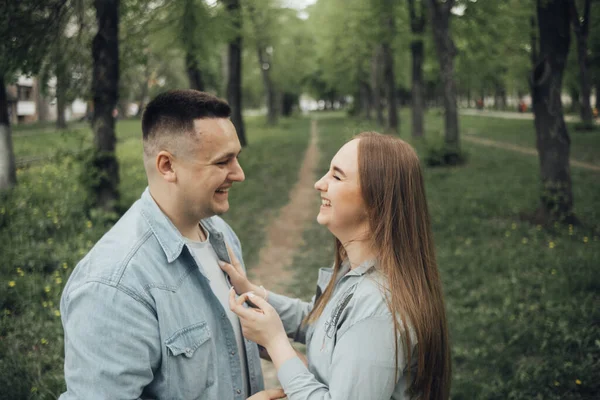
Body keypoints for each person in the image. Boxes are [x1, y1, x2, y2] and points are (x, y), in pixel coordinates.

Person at [59, 90, 282, 399]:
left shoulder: (220, 234)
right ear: (167, 166)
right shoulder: (115, 285)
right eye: (222, 162)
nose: (239, 174)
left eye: (236, 157)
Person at [222, 132, 452, 399]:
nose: (320, 183)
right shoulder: (355, 271)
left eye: (336, 176)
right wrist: (255, 293)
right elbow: (322, 323)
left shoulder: (378, 311)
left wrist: (276, 343)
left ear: (376, 200)